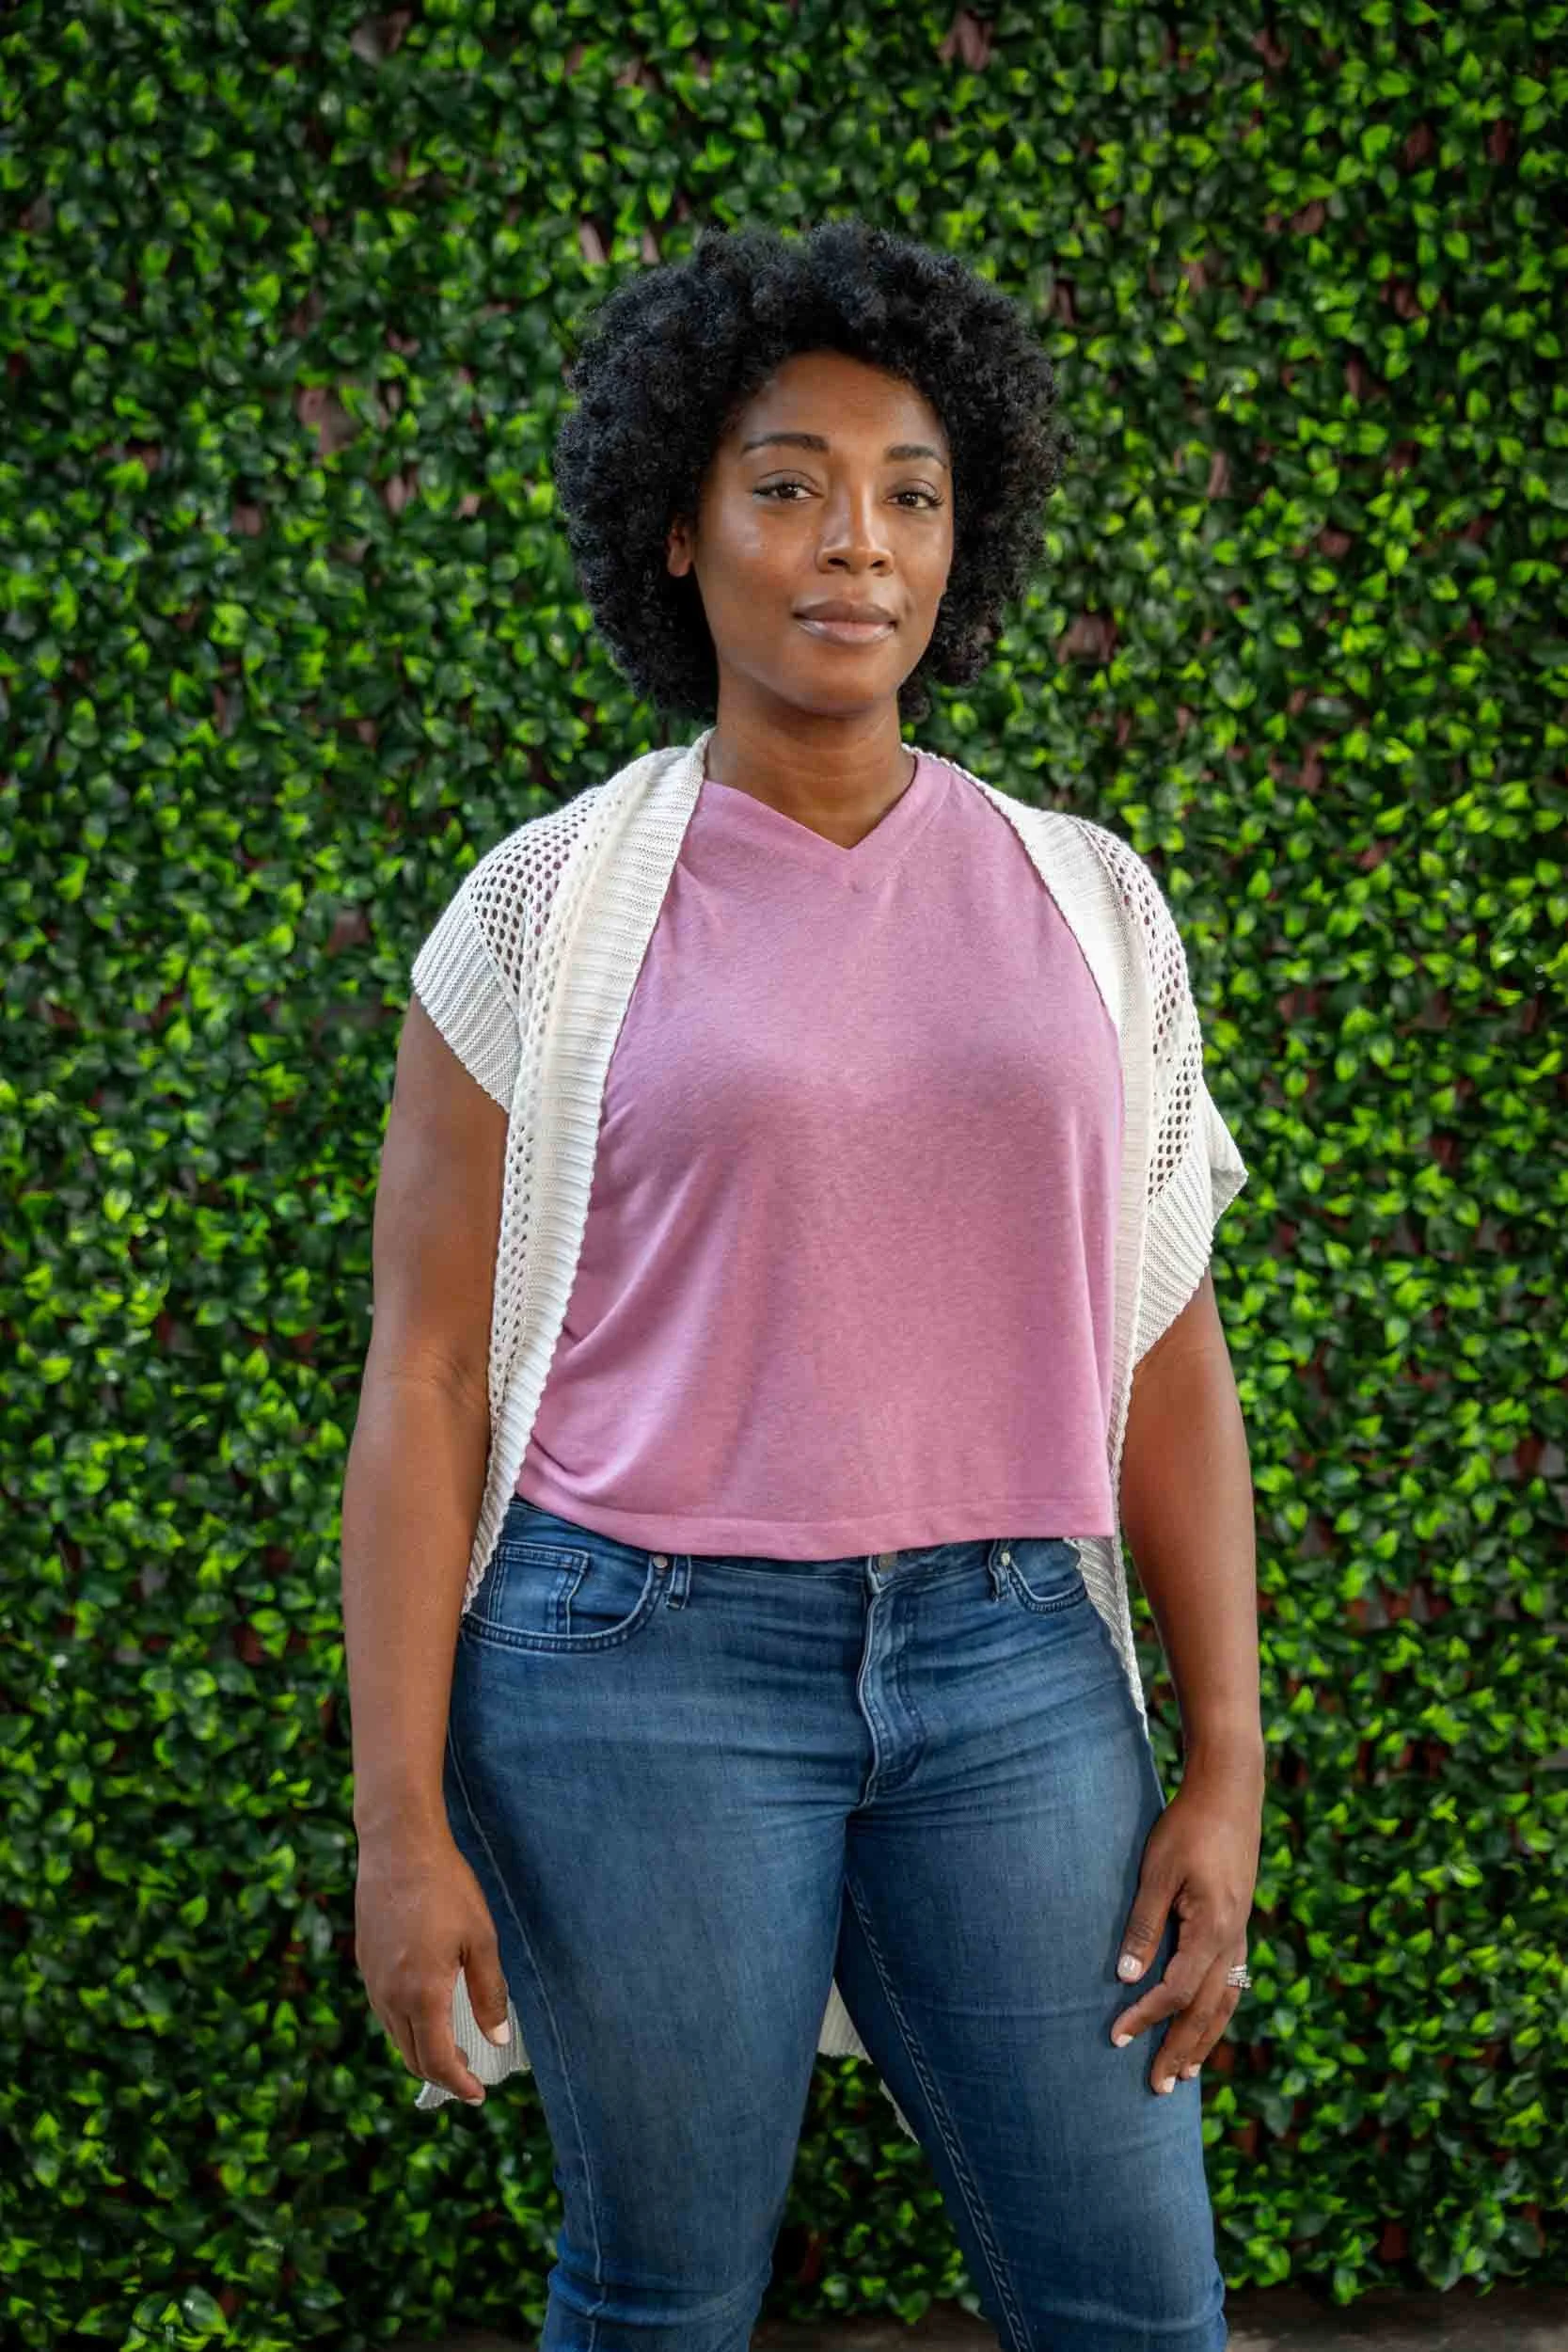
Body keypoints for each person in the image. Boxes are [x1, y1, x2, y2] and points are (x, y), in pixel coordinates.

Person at [341, 217, 1262, 2352]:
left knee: (1131, 2298)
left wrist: (1218, 1756)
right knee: (659, 2294)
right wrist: (398, 1822)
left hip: (1019, 1670)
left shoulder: (1088, 899)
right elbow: (425, 1375)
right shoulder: (540, 914)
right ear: (677, 529)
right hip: (626, 1668)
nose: (855, 541)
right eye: (785, 483)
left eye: (910, 491)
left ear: (965, 539)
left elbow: (1166, 1344)